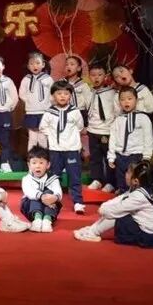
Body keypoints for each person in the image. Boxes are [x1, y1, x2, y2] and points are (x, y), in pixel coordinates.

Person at [73, 161, 153, 248]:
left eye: (128, 173)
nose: (125, 175)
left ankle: (93, 233)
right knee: (113, 210)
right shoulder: (139, 190)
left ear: (135, 181)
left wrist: (103, 209)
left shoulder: (139, 196)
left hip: (146, 236)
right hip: (144, 231)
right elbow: (119, 199)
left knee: (117, 213)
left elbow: (115, 210)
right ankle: (92, 230)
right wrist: (105, 206)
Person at [39, 80, 86, 214]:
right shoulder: (49, 112)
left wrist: (70, 139)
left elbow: (80, 126)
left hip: (71, 150)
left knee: (74, 176)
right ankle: (53, 200)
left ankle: (78, 202)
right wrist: (53, 136)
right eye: (59, 93)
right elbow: (43, 127)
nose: (62, 96)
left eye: (66, 93)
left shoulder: (75, 112)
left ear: (70, 95)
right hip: (55, 150)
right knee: (54, 176)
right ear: (53, 95)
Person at [107, 87, 153, 195]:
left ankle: (136, 199)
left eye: (129, 98)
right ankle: (123, 197)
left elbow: (148, 138)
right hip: (120, 155)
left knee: (135, 181)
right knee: (122, 181)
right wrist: (111, 156)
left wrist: (147, 156)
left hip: (136, 155)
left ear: (136, 100)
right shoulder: (118, 119)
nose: (126, 102)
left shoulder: (143, 118)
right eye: (122, 99)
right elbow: (113, 138)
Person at [86, 63, 117, 192]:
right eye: (93, 75)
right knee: (95, 157)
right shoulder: (88, 92)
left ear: (105, 76)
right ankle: (97, 179)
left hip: (107, 130)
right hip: (93, 130)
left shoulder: (112, 92)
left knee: (109, 158)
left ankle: (111, 182)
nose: (96, 78)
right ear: (89, 77)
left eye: (100, 75)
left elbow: (117, 111)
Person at [20, 146, 63, 232]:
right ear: (29, 165)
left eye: (41, 163)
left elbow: (58, 191)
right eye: (34, 163)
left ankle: (47, 220)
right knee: (34, 196)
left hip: (50, 204)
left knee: (50, 193)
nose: (37, 166)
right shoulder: (26, 179)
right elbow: (29, 192)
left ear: (48, 165)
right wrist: (41, 196)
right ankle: (37, 220)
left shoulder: (53, 179)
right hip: (31, 207)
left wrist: (54, 198)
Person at [19, 51, 53, 150]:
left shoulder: (48, 79)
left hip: (44, 112)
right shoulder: (26, 79)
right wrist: (29, 101)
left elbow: (53, 93)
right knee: (32, 138)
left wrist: (48, 103)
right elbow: (22, 93)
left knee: (43, 138)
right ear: (28, 66)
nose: (35, 66)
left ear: (43, 64)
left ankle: (43, 157)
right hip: (31, 112)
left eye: (38, 63)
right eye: (32, 63)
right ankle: (31, 158)